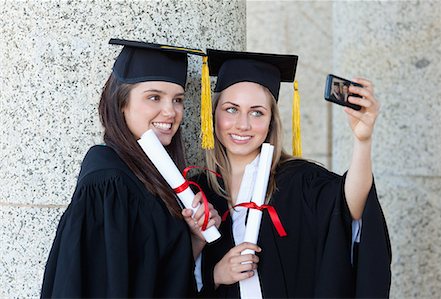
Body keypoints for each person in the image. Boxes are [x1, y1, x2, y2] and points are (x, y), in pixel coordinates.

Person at [194, 49, 391, 298]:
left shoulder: (299, 179)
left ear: (271, 122)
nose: (243, 124)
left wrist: (363, 141)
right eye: (231, 109)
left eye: (257, 112)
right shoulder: (197, 188)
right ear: (213, 115)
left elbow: (350, 206)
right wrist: (217, 275)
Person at [41, 38, 220, 298]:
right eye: (154, 97)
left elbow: (155, 279)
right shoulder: (108, 182)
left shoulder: (156, 177)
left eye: (178, 100)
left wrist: (195, 238)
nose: (170, 112)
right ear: (121, 102)